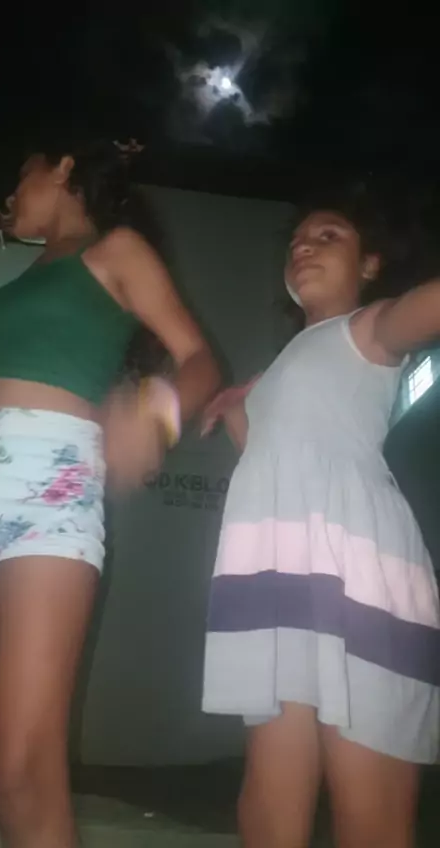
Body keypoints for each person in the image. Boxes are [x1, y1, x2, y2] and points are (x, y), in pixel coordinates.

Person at [0, 139, 220, 848]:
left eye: (20, 174)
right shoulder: (31, 270)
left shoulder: (116, 251)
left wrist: (156, 415)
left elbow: (199, 358)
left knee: (22, 772)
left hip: (54, 491)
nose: (9, 195)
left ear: (63, 167)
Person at [201, 198, 440, 848]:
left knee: (371, 817)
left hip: (357, 572)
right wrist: (237, 408)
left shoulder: (370, 329)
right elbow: (270, 462)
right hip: (278, 576)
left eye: (328, 236)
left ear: (370, 265)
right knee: (268, 800)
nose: (303, 247)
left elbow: (423, 308)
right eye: (296, 241)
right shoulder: (286, 363)